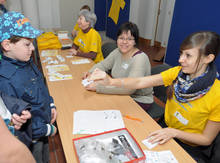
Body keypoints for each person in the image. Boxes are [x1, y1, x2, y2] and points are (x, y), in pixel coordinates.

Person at [90, 31, 220, 163]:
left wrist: (174, 132)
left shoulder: (217, 94)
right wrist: (111, 82)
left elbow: (206, 139)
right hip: (166, 129)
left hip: (190, 146)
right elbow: (140, 81)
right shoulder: (177, 73)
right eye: (181, 53)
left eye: (188, 56)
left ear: (208, 58)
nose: (181, 59)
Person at [0, 11, 57, 163]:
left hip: (44, 126)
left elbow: (41, 86)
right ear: (7, 45)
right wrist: (47, 129)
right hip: (33, 139)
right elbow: (19, 124)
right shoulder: (6, 80)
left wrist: (51, 103)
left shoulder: (27, 61)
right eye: (27, 44)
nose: (33, 48)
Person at [84, 22, 153, 111]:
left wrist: (99, 87)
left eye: (129, 39)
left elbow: (129, 89)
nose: (124, 42)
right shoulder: (118, 51)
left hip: (138, 99)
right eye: (121, 38)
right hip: (119, 92)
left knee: (102, 107)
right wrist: (90, 72)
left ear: (135, 41)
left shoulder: (140, 58)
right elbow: (103, 65)